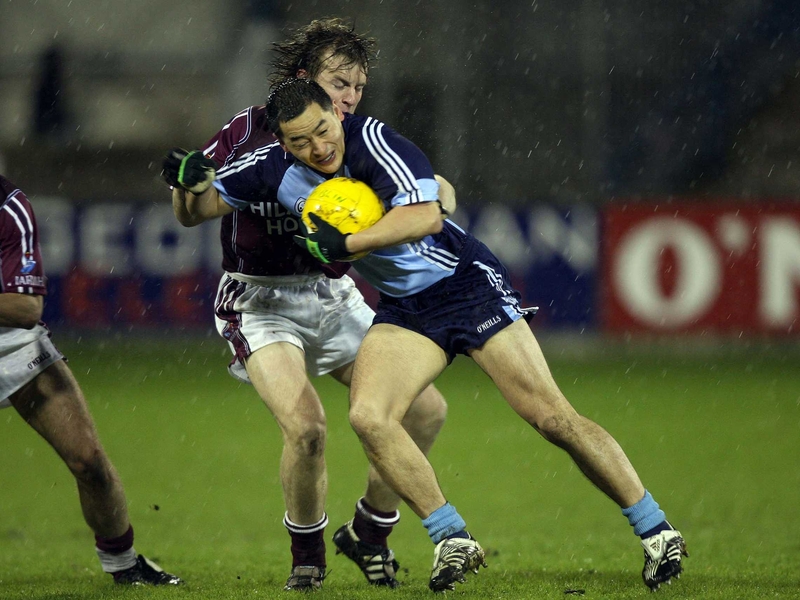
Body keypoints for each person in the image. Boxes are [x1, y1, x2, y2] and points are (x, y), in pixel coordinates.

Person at [187, 78, 689, 593]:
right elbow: (198, 208)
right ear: (282, 142)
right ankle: (451, 537)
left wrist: (348, 243)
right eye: (300, 141)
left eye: (323, 129)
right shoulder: (271, 168)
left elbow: (427, 216)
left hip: (465, 286)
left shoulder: (372, 141)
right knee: (369, 417)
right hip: (406, 309)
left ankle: (657, 531)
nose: (318, 147)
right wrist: (186, 183)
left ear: (335, 115)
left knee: (551, 418)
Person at [163, 18, 453, 591]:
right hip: (259, 300)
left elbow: (434, 189)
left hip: (332, 294)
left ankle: (369, 532)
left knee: (425, 411)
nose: (351, 97)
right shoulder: (247, 134)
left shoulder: (357, 137)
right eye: (340, 83)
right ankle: (307, 559)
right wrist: (184, 184)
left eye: (359, 87)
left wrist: (438, 197)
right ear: (303, 79)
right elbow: (193, 207)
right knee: (308, 428)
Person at [0, 174, 182, 587]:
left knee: (88, 461)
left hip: (12, 346)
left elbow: (26, 308)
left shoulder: (9, 207)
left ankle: (124, 565)